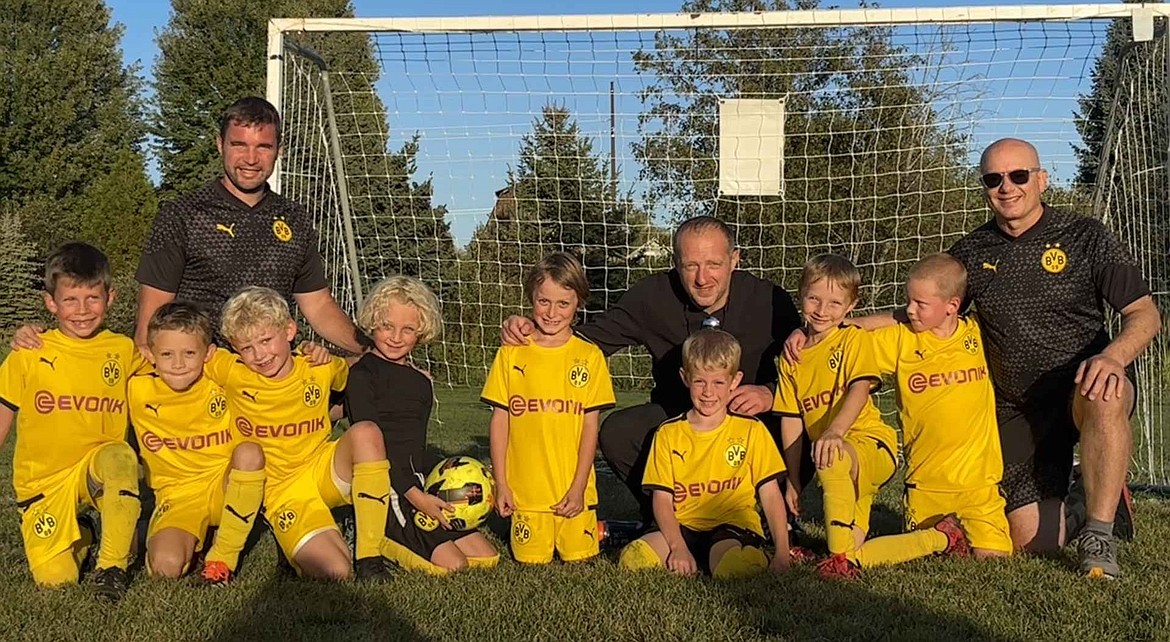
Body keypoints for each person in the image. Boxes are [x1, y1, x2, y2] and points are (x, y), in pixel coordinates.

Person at [785, 138, 1161, 579]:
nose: (1007, 187)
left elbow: (1145, 314)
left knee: (1106, 394)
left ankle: (1098, 535)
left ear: (1041, 179)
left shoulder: (1085, 236)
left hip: (1082, 387)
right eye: (994, 178)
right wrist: (826, 327)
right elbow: (918, 310)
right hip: (1016, 409)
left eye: (1019, 175)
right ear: (984, 187)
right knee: (1028, 542)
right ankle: (1097, 496)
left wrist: (1113, 357)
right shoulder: (972, 253)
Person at [501, 216, 803, 522]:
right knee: (620, 431)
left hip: (747, 420)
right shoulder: (652, 296)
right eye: (690, 266)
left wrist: (771, 393)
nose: (702, 278)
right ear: (675, 263)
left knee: (803, 419)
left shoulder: (769, 299)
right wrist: (534, 329)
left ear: (734, 260)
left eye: (713, 264)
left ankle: (779, 513)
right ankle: (667, 519)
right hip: (678, 420)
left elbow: (813, 365)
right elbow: (588, 341)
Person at [815, 254, 1009, 580]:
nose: (910, 310)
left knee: (993, 560)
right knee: (931, 552)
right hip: (927, 484)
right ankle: (943, 535)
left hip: (980, 485)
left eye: (920, 303)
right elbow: (845, 335)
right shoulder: (902, 339)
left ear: (952, 306)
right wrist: (807, 334)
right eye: (908, 301)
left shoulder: (978, 333)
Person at [134, 96, 361, 353]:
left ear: (279, 150)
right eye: (239, 145)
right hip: (205, 379)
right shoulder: (181, 215)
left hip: (273, 375)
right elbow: (150, 323)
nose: (251, 159)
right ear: (220, 145)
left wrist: (369, 348)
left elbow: (318, 305)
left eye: (263, 147)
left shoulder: (295, 218)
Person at [205, 286, 391, 580]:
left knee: (366, 432)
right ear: (234, 349)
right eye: (247, 347)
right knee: (335, 572)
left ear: (289, 330)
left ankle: (370, 557)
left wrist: (321, 351)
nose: (260, 354)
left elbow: (350, 373)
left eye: (266, 340)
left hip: (321, 469)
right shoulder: (231, 371)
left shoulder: (319, 367)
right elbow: (183, 357)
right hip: (281, 490)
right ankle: (267, 542)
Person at [0, 243, 147, 601]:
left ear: (109, 297)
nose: (82, 311)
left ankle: (112, 567)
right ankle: (84, 534)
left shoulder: (123, 350)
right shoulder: (30, 353)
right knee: (56, 581)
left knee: (118, 456)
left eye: (92, 298)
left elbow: (175, 369)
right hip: (44, 483)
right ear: (51, 303)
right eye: (70, 300)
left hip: (95, 471)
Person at [345, 275, 499, 574]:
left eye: (408, 329)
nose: (395, 337)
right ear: (372, 322)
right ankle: (378, 536)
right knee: (453, 566)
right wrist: (417, 498)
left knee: (487, 558)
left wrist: (451, 482)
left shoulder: (421, 382)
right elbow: (377, 451)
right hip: (386, 487)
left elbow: (415, 446)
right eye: (387, 326)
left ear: (422, 331)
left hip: (417, 482)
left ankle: (415, 531)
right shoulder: (362, 376)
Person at [617, 329, 790, 577]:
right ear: (685, 378)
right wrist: (676, 547)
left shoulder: (751, 430)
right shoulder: (668, 434)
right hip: (683, 526)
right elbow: (662, 499)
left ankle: (737, 556)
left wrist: (782, 552)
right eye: (700, 381)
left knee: (735, 568)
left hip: (732, 525)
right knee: (634, 559)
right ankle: (689, 555)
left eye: (718, 382)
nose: (708, 392)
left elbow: (770, 493)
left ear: (734, 381)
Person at [484, 252, 617, 564]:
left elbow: (589, 428)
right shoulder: (511, 354)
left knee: (580, 560)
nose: (552, 312)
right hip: (525, 495)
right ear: (531, 297)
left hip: (572, 492)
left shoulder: (589, 356)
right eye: (544, 302)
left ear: (578, 304)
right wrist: (502, 485)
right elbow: (500, 421)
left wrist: (580, 487)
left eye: (563, 303)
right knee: (530, 562)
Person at [129, 302, 266, 585]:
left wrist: (313, 354)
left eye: (189, 353)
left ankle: (222, 558)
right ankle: (164, 533)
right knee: (166, 567)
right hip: (178, 496)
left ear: (209, 354)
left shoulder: (223, 380)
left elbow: (272, 367)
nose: (178, 364)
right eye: (167, 354)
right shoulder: (136, 387)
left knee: (250, 453)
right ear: (149, 354)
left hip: (224, 484)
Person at [772, 255, 899, 558]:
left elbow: (859, 387)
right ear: (800, 294)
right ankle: (940, 540)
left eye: (834, 303)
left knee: (832, 457)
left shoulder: (852, 339)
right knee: (855, 552)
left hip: (872, 444)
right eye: (814, 299)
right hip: (837, 458)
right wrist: (794, 480)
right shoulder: (793, 357)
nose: (822, 310)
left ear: (851, 306)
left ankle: (836, 561)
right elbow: (792, 420)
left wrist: (835, 431)